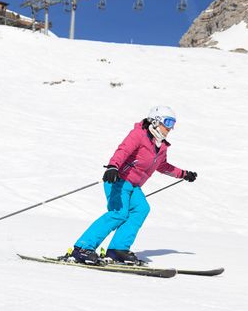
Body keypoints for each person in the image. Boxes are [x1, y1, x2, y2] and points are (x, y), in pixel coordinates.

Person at [69, 106, 197, 265]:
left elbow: (162, 166)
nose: (170, 128)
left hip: (134, 186)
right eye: (168, 122)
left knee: (141, 208)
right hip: (118, 180)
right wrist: (113, 166)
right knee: (118, 213)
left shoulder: (161, 146)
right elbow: (123, 150)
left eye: (173, 123)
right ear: (156, 121)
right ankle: (82, 248)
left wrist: (183, 174)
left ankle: (118, 250)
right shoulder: (139, 135)